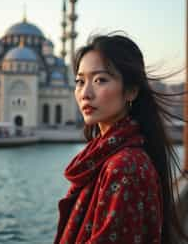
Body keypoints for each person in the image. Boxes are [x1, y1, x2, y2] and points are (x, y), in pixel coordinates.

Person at [54, 33, 187, 244]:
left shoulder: (124, 166)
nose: (85, 93)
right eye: (80, 81)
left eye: (100, 80)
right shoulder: (111, 157)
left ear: (131, 91)